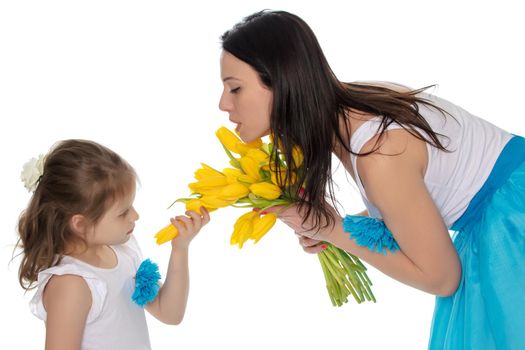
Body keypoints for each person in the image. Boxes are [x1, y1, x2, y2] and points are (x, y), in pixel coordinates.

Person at [218, 10, 525, 350]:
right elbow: (413, 205)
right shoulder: (359, 107)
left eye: (234, 88)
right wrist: (339, 227)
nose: (223, 104)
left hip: (514, 222)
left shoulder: (377, 153)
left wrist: (332, 229)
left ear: (282, 81)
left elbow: (443, 278)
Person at [16, 139, 210, 350]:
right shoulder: (71, 284)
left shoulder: (124, 252)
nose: (135, 216)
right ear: (80, 224)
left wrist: (180, 248)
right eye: (123, 212)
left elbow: (169, 312)